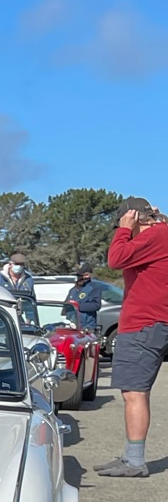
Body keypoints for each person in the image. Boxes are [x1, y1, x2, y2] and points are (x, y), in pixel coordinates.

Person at [98, 201, 168, 478]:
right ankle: (130, 456)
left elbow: (116, 259)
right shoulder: (160, 235)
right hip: (148, 324)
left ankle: (135, 461)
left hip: (143, 325)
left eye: (123, 221)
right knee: (133, 392)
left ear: (134, 217)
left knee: (135, 393)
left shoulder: (156, 235)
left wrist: (124, 230)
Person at [65, 266, 107, 331]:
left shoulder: (93, 288)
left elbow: (96, 305)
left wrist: (77, 306)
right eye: (77, 276)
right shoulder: (73, 290)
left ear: (87, 275)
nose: (78, 278)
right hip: (72, 325)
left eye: (80, 276)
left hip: (87, 326)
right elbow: (66, 304)